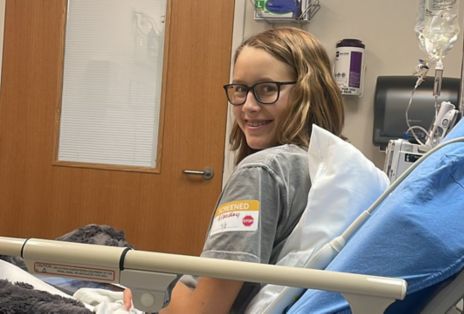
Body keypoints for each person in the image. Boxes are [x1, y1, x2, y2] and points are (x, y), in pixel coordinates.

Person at [125, 26, 345, 313]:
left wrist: (149, 289)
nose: (248, 106)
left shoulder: (261, 172)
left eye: (267, 89)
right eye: (240, 89)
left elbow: (203, 311)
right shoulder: (322, 166)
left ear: (307, 92)